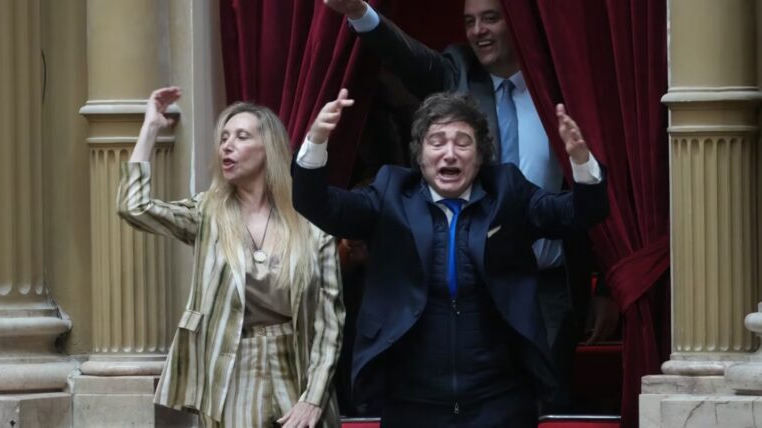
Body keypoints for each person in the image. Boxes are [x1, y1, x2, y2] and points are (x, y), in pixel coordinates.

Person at [325, 0, 620, 410]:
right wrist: (360, 14)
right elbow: (408, 58)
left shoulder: (563, 87)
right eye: (469, 21)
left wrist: (607, 283)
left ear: (518, 23)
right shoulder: (457, 73)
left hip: (548, 280)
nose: (478, 30)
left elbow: (591, 197)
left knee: (543, 400)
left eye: (490, 18)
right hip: (473, 278)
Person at [292, 89, 609, 427]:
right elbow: (317, 204)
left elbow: (579, 213)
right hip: (411, 399)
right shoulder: (390, 192)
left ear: (480, 154)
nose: (450, 153)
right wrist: (317, 143)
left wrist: (580, 162)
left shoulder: (507, 190)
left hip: (499, 397)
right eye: (437, 142)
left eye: (463, 142)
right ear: (420, 153)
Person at [117, 87, 345, 427]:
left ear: (269, 149)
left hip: (297, 368)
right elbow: (133, 208)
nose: (227, 145)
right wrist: (150, 128)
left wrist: (313, 399)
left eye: (241, 136)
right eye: (224, 138)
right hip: (233, 368)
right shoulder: (208, 214)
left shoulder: (309, 221)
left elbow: (330, 323)